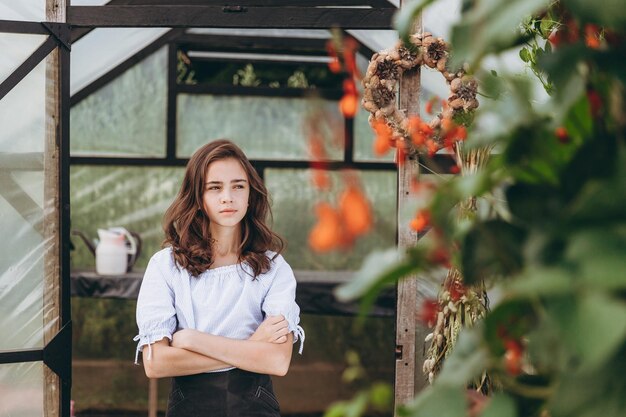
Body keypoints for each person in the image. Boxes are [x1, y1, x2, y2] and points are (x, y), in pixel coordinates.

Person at [133, 139, 305, 417]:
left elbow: (277, 361)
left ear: (251, 195)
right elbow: (156, 364)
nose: (228, 197)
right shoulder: (166, 265)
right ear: (198, 198)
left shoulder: (274, 267)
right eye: (215, 188)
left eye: (238, 186)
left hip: (255, 408)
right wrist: (250, 349)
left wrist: (191, 339)